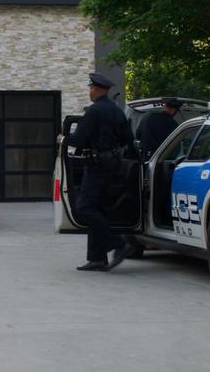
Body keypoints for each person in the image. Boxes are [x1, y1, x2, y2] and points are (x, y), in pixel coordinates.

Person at [67, 73, 137, 272]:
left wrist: (64, 139)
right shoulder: (116, 112)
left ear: (96, 90)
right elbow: (127, 139)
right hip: (113, 166)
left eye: (90, 88)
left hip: (97, 166)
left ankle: (119, 244)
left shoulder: (94, 111)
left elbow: (79, 140)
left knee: (84, 209)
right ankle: (97, 258)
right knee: (98, 210)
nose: (89, 91)